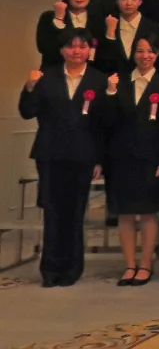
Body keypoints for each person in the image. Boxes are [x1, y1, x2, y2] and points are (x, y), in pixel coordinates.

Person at [19, 28, 109, 287]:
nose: (76, 51)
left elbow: (103, 124)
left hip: (82, 155)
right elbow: (27, 111)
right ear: (62, 50)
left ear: (89, 50)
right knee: (52, 211)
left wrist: (99, 159)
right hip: (50, 153)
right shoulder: (46, 77)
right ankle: (50, 269)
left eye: (82, 46)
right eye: (71, 46)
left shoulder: (99, 80)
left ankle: (71, 268)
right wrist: (29, 87)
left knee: (75, 213)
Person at [102, 37, 159, 286]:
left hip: (150, 159)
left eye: (150, 51)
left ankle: (145, 264)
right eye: (140, 51)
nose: (145, 56)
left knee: (147, 213)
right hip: (121, 158)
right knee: (124, 213)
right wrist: (110, 93)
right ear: (133, 54)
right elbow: (107, 123)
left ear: (158, 54)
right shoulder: (119, 83)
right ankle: (129, 264)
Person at [36, 0, 101, 72]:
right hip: (55, 73)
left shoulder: (99, 20)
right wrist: (58, 20)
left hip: (89, 75)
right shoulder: (49, 17)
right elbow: (44, 48)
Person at [98, 0, 159, 77]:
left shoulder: (152, 26)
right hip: (114, 79)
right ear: (117, 0)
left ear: (140, 1)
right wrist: (110, 32)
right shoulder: (108, 24)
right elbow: (103, 60)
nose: (128, 3)